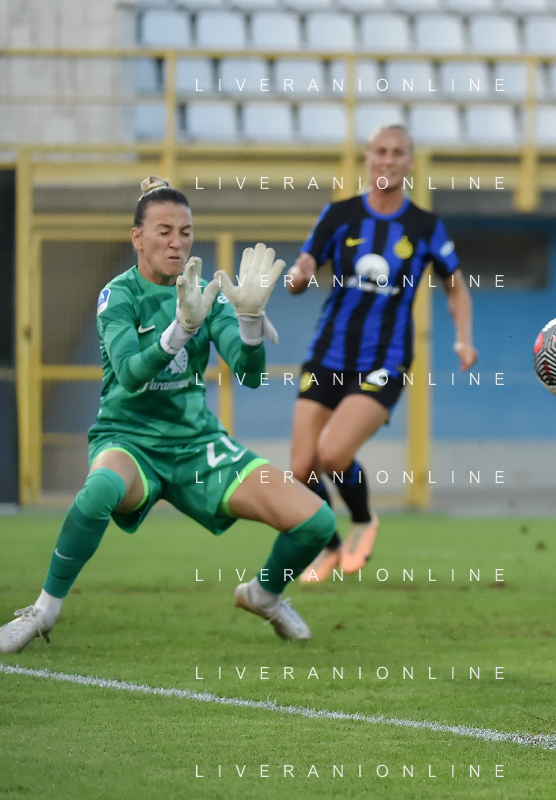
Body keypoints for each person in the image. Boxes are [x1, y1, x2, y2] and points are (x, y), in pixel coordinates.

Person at [0, 178, 335, 654]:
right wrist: (180, 329)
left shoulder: (208, 294)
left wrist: (250, 325)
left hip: (197, 445)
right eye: (164, 231)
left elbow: (250, 374)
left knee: (317, 522)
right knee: (98, 491)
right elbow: (131, 374)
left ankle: (263, 595)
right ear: (138, 238)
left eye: (185, 231)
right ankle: (44, 610)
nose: (177, 242)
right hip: (129, 439)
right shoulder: (118, 296)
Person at [286, 124, 477, 581]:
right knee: (300, 467)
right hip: (328, 353)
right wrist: (298, 275)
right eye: (380, 151)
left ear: (409, 163)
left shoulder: (425, 226)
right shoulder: (339, 215)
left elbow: (455, 286)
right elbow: (304, 266)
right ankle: (330, 545)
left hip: (385, 360)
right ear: (367, 158)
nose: (387, 159)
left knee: (333, 455)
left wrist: (463, 337)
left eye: (397, 152)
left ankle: (364, 519)